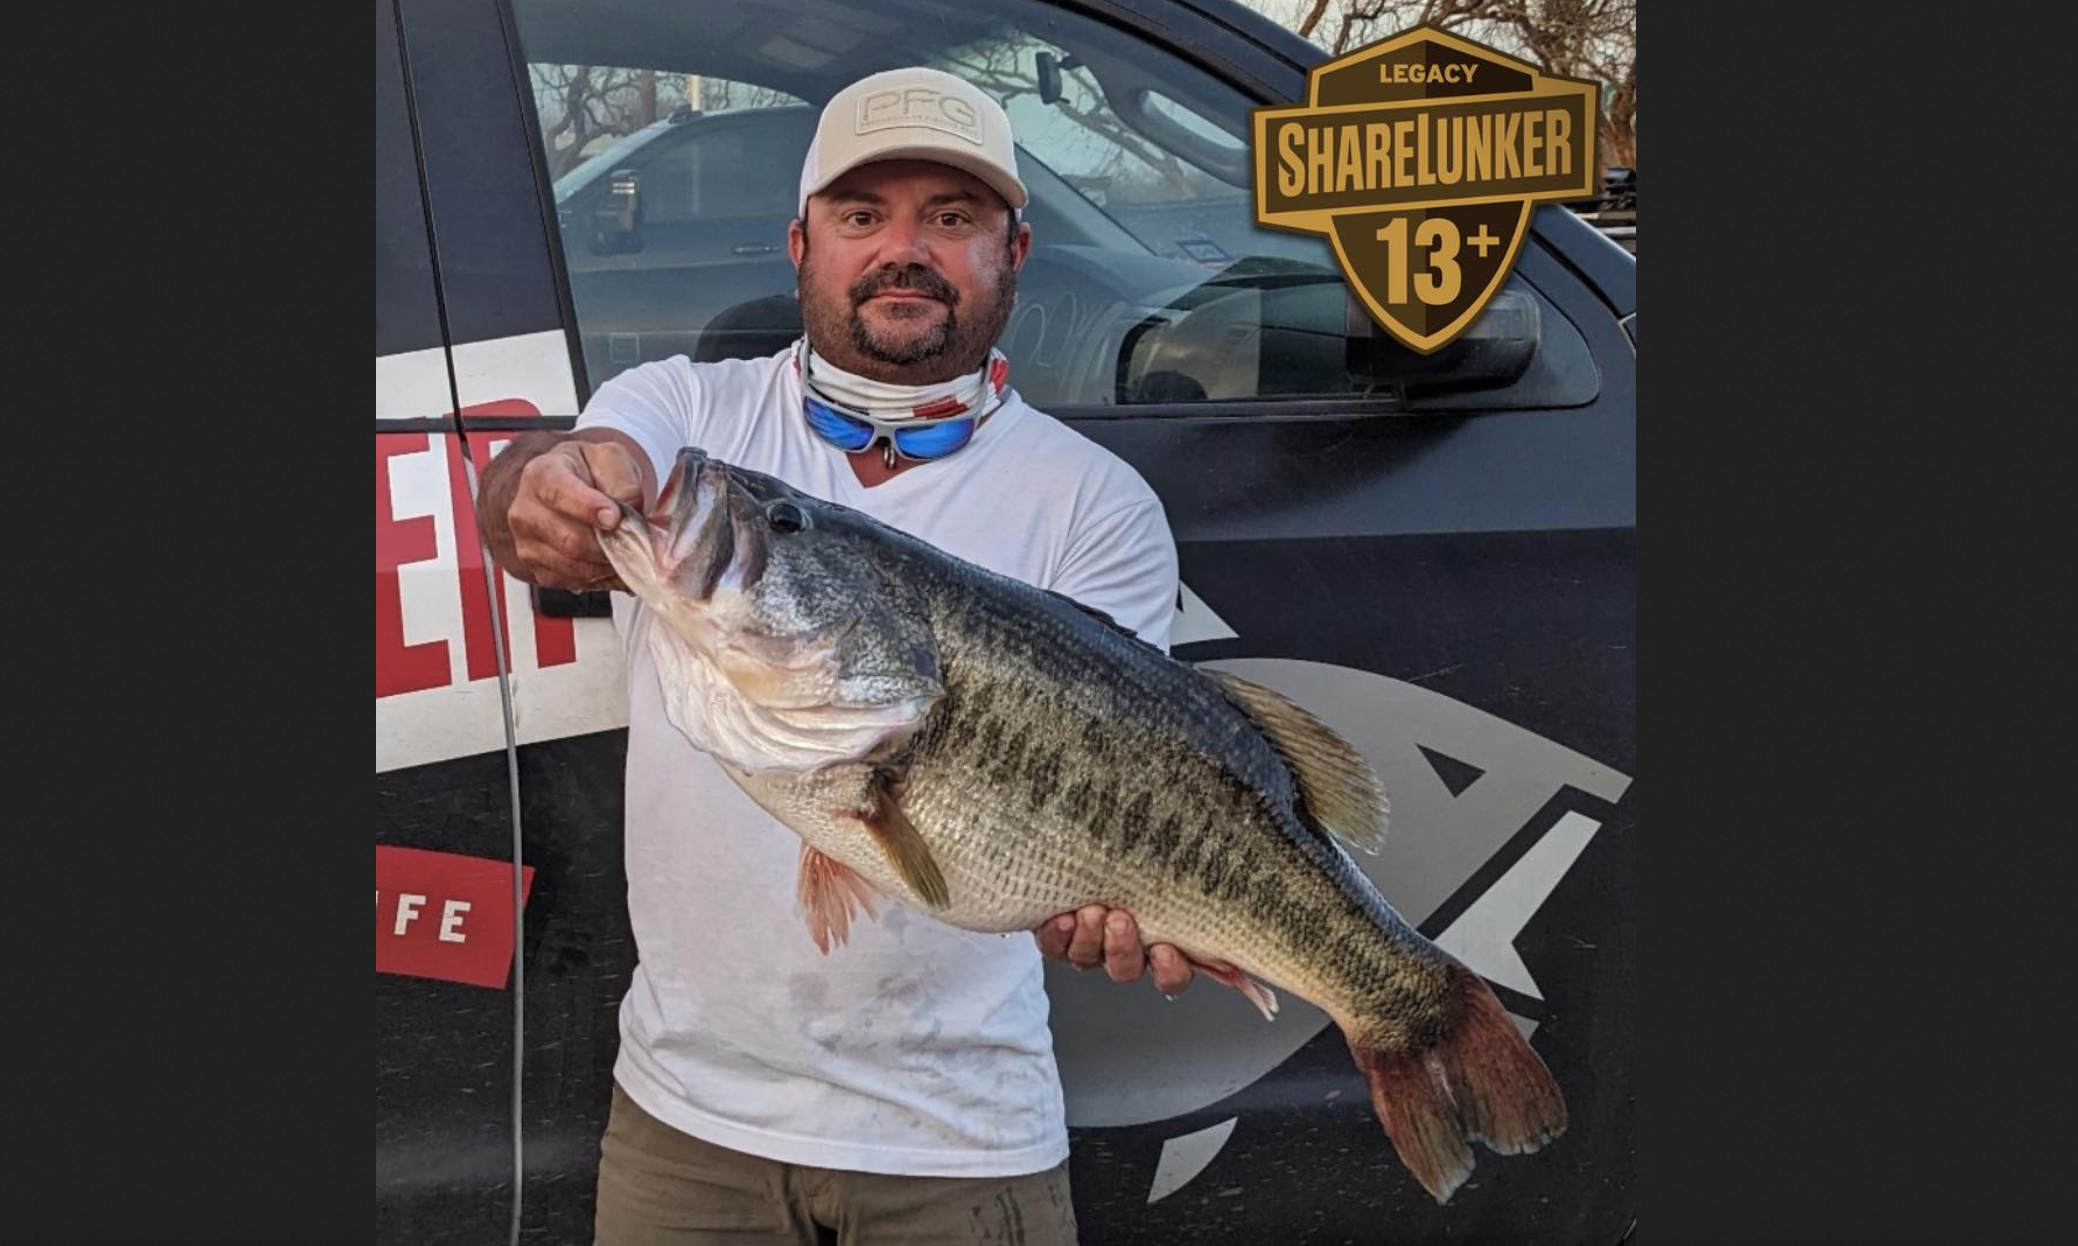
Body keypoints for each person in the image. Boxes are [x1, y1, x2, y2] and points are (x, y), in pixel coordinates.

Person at [477, 67, 1196, 1246]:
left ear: (1014, 251)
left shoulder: (1095, 504)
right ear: (800, 245)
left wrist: (1100, 903)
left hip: (959, 1139)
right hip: (681, 1124)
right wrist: (539, 490)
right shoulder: (687, 415)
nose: (902, 249)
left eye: (949, 217)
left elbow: (1116, 792)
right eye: (862, 215)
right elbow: (559, 476)